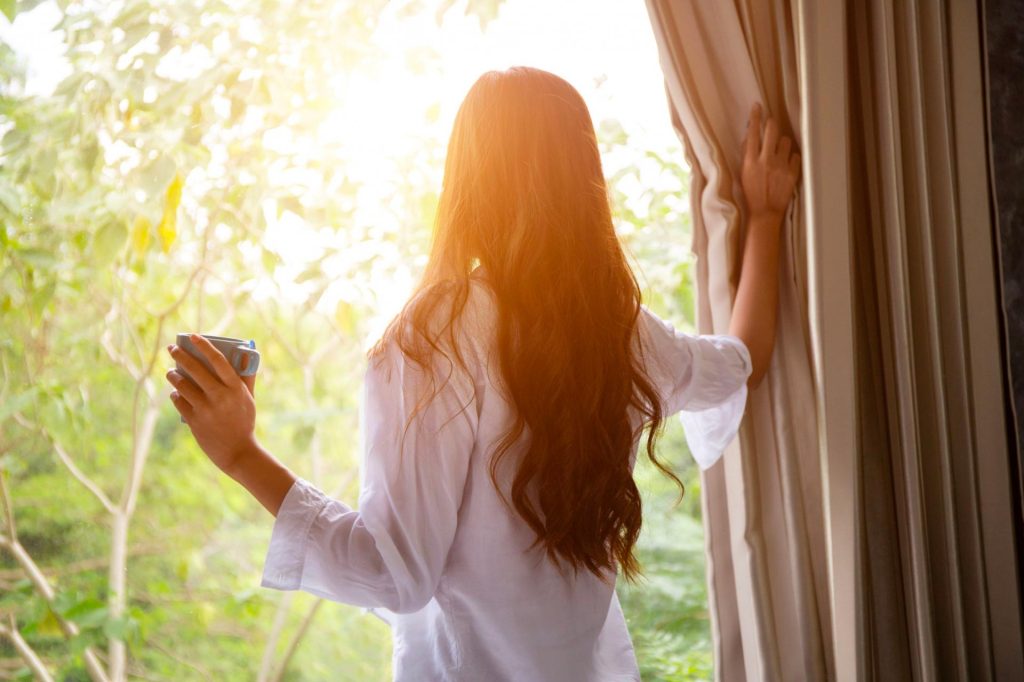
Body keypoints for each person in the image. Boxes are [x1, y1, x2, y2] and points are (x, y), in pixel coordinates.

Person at [164, 66, 799, 681]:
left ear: (465, 180)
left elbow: (395, 576)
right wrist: (767, 218)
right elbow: (744, 359)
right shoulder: (624, 333)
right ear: (585, 178)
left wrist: (241, 454)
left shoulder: (433, 337)